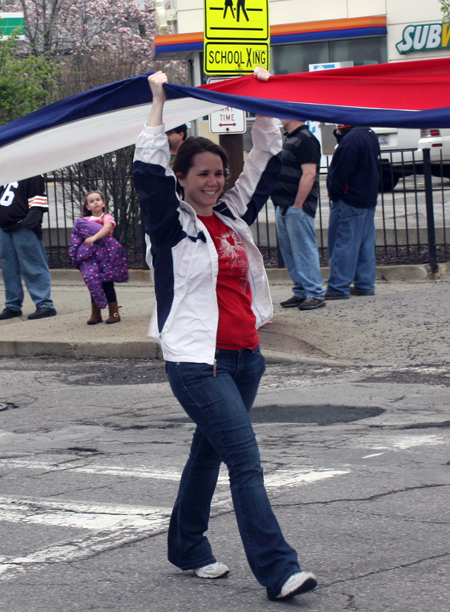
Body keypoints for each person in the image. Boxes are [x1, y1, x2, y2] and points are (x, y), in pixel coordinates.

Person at [132, 69, 317, 602]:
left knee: (208, 456)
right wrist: (159, 102)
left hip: (245, 359)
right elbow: (147, 174)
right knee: (244, 459)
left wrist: (261, 102)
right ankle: (279, 569)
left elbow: (265, 159)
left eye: (219, 172)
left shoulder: (232, 218)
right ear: (183, 178)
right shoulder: (170, 226)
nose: (214, 181)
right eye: (203, 174)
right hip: (198, 362)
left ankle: (187, 548)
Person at [272, 119, 325, 311]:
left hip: (297, 206)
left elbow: (309, 173)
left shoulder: (306, 139)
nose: (279, 117)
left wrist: (298, 204)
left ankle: (314, 293)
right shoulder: (292, 138)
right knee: (290, 252)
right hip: (284, 204)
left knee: (303, 250)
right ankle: (301, 291)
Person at [325, 124, 380, 299]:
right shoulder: (369, 134)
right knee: (365, 244)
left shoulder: (351, 140)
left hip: (349, 198)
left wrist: (335, 192)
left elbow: (342, 171)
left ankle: (338, 287)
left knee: (343, 244)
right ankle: (365, 284)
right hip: (366, 196)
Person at [0, 176, 57, 320]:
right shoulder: (6, 173)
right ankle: (12, 305)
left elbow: (38, 205)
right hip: (4, 228)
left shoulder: (34, 175)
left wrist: (26, 224)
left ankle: (44, 304)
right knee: (9, 268)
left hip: (23, 228)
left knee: (34, 265)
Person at [68, 190, 126, 324]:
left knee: (107, 284)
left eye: (98, 200)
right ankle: (96, 314)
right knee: (93, 283)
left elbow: (107, 229)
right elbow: (77, 237)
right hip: (90, 257)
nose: (95, 203)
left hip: (105, 255)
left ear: (103, 203)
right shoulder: (84, 221)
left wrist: (94, 237)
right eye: (91, 201)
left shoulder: (106, 217)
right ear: (88, 207)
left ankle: (114, 313)